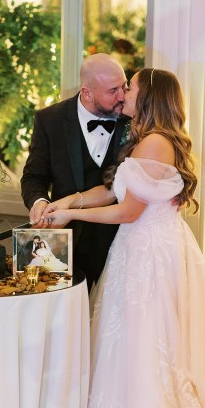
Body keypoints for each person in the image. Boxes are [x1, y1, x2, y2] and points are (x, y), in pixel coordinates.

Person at [44, 68, 205, 408]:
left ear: (148, 95)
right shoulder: (144, 139)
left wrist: (69, 220)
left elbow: (129, 211)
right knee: (133, 353)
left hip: (148, 260)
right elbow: (110, 188)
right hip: (141, 256)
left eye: (130, 86)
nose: (125, 92)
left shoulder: (154, 143)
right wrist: (66, 203)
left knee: (144, 354)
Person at [21, 53, 130, 290]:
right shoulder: (50, 119)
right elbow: (34, 176)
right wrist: (39, 201)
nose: (122, 96)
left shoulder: (133, 118)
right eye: (113, 91)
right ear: (87, 92)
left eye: (124, 86)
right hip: (66, 243)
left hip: (122, 241)